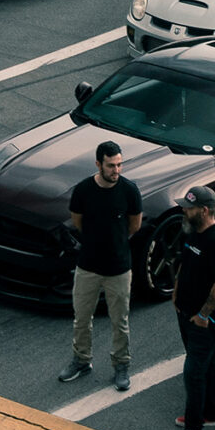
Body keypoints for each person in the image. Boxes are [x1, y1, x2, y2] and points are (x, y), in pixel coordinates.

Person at [63, 140, 142, 391]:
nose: (116, 170)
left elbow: (134, 226)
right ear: (98, 164)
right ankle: (82, 360)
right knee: (81, 318)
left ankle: (121, 365)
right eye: (110, 165)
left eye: (119, 164)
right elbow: (78, 221)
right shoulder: (83, 190)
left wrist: (114, 242)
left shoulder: (129, 191)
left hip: (119, 268)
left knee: (120, 321)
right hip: (88, 266)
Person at [170, 186, 215, 430]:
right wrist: (176, 293)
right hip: (185, 313)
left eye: (189, 207)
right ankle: (211, 412)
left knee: (193, 372)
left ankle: (194, 429)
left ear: (204, 211)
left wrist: (203, 315)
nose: (184, 210)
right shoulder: (193, 232)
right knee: (205, 366)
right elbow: (184, 264)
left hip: (204, 322)